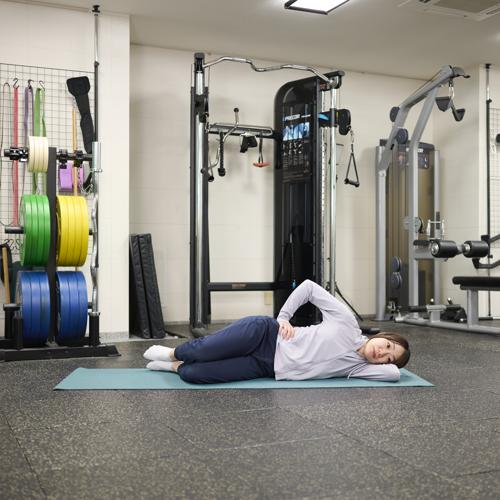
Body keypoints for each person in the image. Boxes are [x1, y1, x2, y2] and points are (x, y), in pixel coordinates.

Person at [143, 279, 410, 384]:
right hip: (266, 335)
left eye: (388, 357)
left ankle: (173, 367)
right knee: (203, 350)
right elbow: (309, 288)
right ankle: (170, 353)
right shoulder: (348, 323)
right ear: (383, 336)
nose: (382, 353)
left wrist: (391, 361)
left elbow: (394, 374)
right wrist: (284, 317)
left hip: (266, 367)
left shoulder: (359, 368)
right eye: (387, 345)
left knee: (194, 374)